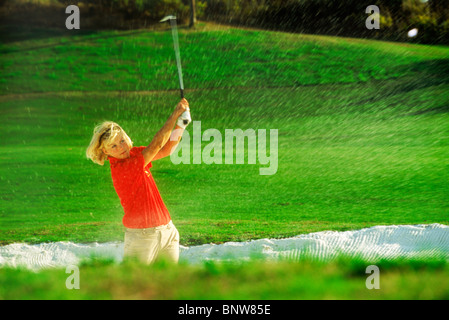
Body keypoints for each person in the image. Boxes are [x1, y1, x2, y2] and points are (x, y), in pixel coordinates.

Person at [86, 98, 191, 264]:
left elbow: (167, 149)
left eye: (122, 140)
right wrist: (175, 114)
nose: (121, 147)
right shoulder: (122, 168)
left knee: (168, 285)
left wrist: (181, 124)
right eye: (113, 146)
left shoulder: (135, 155)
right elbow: (156, 145)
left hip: (168, 231)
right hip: (142, 237)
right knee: (134, 285)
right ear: (105, 151)